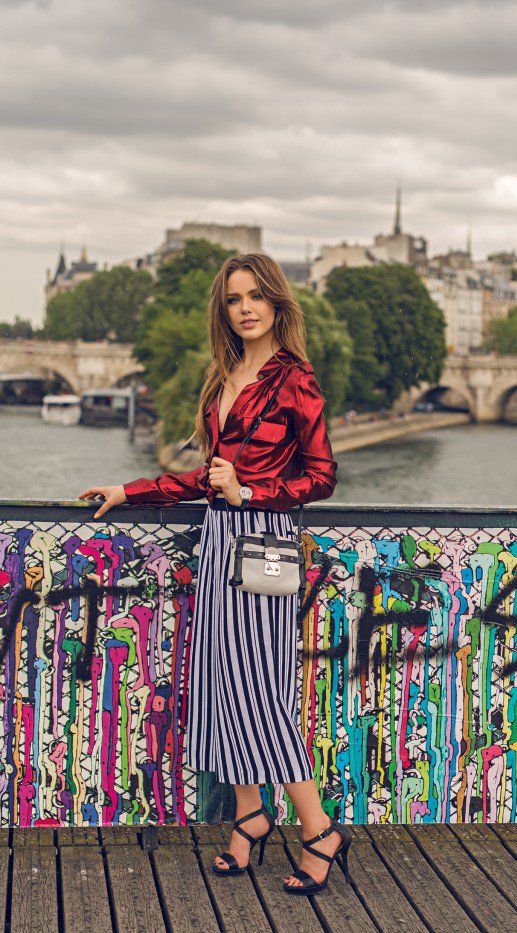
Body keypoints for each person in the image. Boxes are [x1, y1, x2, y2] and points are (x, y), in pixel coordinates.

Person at [78, 252, 351, 895]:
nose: (246, 308)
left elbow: (322, 477)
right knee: (225, 681)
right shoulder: (224, 373)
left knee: (261, 689)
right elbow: (209, 477)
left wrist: (251, 493)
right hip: (220, 543)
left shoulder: (295, 378)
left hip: (264, 541)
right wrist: (133, 488)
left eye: (257, 296)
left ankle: (317, 829)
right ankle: (250, 818)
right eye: (234, 299)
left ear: (278, 304)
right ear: (222, 309)